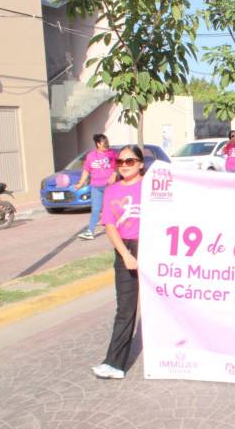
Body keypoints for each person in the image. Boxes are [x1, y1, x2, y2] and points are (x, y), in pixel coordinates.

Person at [91, 145, 144, 380]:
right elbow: (110, 226)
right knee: (125, 308)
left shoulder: (153, 186)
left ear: (141, 163)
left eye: (130, 161)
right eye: (120, 162)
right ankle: (114, 363)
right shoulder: (112, 190)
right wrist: (126, 255)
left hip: (154, 246)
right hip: (127, 249)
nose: (124, 165)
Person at [74, 134, 117, 241]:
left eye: (107, 142)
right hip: (96, 187)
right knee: (96, 209)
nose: (107, 145)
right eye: (104, 143)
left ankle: (117, 228)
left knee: (112, 208)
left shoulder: (112, 154)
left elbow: (118, 166)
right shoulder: (91, 156)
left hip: (109, 186)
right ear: (98, 144)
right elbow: (86, 170)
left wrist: (114, 175)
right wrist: (80, 183)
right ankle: (90, 231)